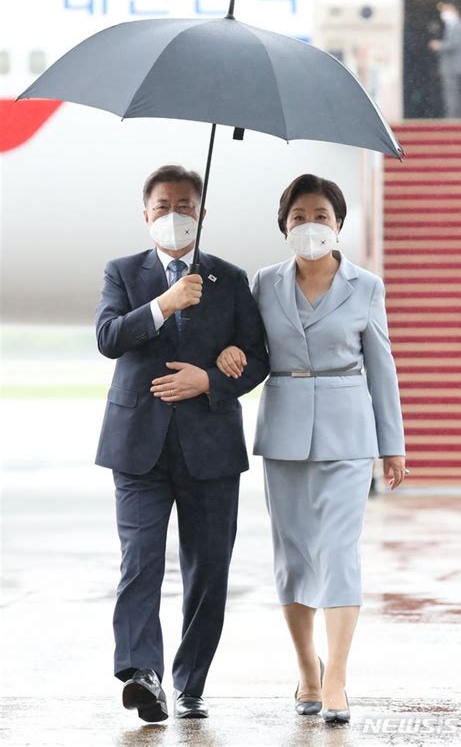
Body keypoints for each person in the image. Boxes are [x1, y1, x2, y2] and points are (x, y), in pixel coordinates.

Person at [216, 174, 407, 725]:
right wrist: (230, 350)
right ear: (284, 227)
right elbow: (250, 347)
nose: (309, 225)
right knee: (293, 556)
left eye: (320, 215)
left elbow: (382, 365)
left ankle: (338, 680)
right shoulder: (263, 283)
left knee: (340, 552)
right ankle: (307, 669)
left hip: (349, 431)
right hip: (284, 429)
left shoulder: (365, 286)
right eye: (298, 217)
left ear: (339, 224)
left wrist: (391, 445)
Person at [95, 165, 269, 723]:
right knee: (140, 562)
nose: (175, 214)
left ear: (202, 212)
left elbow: (258, 356)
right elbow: (108, 337)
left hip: (210, 445)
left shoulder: (229, 278)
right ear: (145, 214)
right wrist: (164, 304)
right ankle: (141, 674)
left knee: (209, 567)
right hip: (137, 445)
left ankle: (190, 681)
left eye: (186, 204)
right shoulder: (122, 272)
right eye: (163, 204)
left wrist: (213, 379)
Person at [428, 2, 461, 118]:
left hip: (454, 67)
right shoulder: (450, 26)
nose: (444, 14)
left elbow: (454, 44)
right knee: (451, 94)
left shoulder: (459, 26)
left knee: (453, 94)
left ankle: (454, 117)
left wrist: (439, 45)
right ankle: (454, 116)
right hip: (449, 66)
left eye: (447, 10)